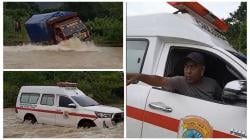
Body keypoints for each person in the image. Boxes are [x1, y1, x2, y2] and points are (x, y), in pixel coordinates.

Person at [127, 52, 222, 102]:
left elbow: (222, 102)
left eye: (193, 67)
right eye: (186, 67)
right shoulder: (180, 81)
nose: (188, 71)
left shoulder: (213, 84)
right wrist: (139, 76)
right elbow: (160, 80)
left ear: (202, 70)